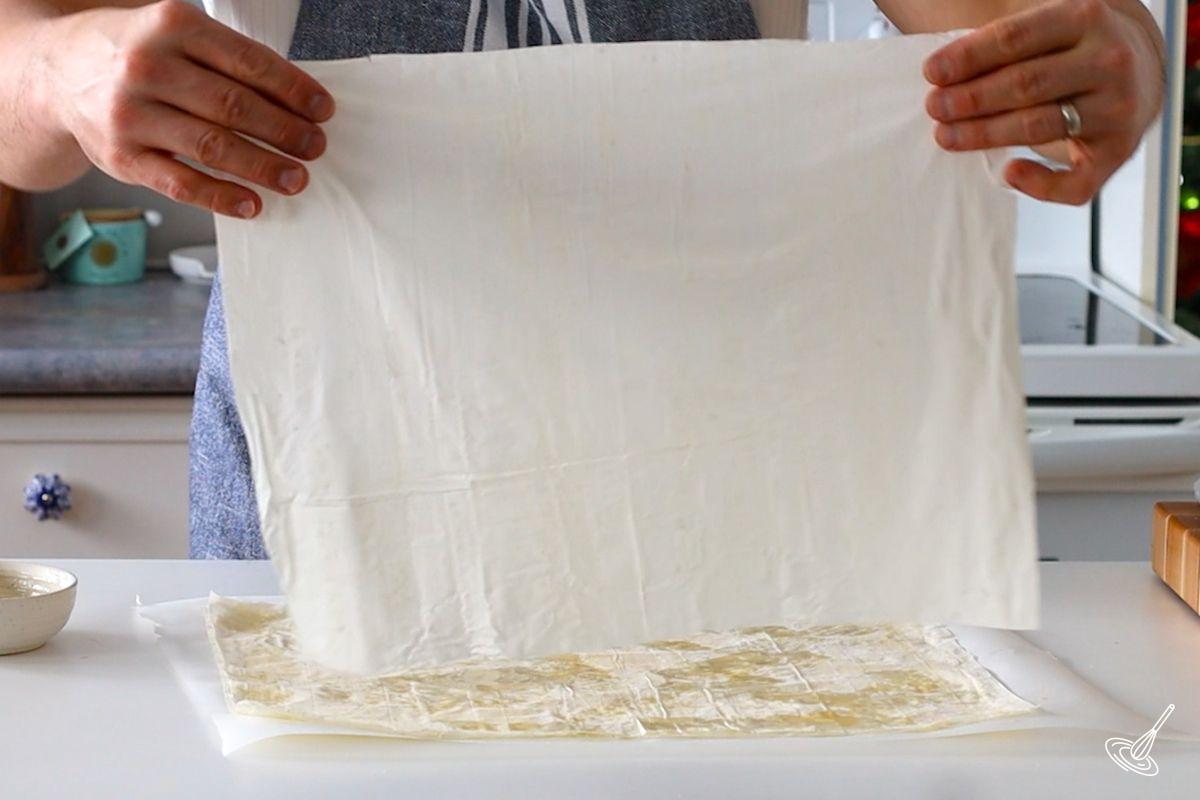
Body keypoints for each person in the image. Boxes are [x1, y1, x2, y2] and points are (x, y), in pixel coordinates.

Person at [0, 0, 1166, 558]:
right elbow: (18, 73)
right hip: (325, 482)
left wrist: (1118, 55)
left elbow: (1034, 25)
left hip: (710, 493)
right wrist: (58, 69)